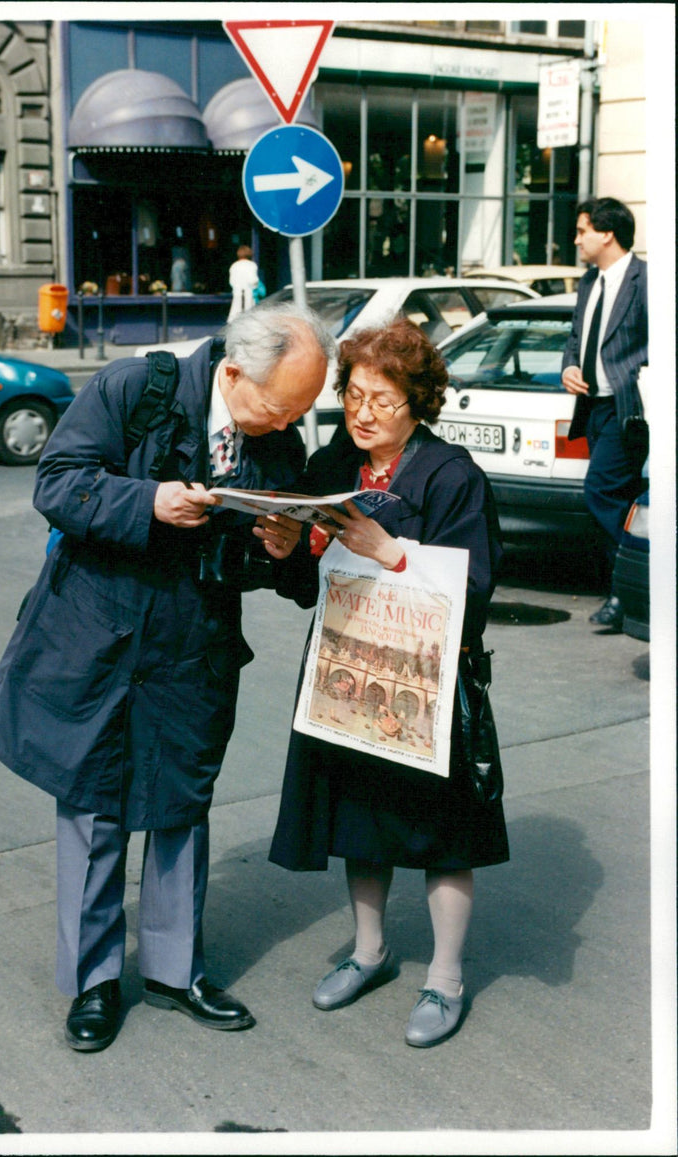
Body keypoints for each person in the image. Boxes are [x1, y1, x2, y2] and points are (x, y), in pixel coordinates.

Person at [0, 302, 334, 1051]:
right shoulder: (136, 388)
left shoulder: (277, 435)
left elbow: (292, 571)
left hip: (193, 645)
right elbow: (57, 481)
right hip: (99, 633)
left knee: (178, 804)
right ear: (233, 373)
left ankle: (176, 970)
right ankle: (93, 982)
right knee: (95, 806)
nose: (288, 424)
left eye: (301, 410)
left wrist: (286, 545)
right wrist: (149, 499)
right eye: (279, 407)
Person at [269, 316, 509, 1048]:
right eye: (353, 396)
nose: (363, 413)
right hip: (347, 671)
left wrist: (395, 554)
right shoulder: (337, 461)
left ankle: (445, 976)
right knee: (360, 817)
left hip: (425, 683)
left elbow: (479, 585)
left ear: (418, 402)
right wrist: (286, 547)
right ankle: (368, 951)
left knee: (441, 833)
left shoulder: (450, 474)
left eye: (381, 398)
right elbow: (305, 582)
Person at [561, 196, 649, 631]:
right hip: (592, 407)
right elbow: (576, 338)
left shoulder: (645, 279)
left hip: (627, 408)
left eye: (582, 231)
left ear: (607, 233)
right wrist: (570, 366)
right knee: (621, 495)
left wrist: (637, 372)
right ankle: (629, 589)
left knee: (601, 489)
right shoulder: (587, 282)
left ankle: (629, 587)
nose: (576, 240)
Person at [227, 244, 260, 320]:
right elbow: (253, 280)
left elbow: (231, 282)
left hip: (237, 293)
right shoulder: (252, 265)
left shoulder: (234, 266)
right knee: (249, 316)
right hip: (249, 293)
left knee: (235, 313)